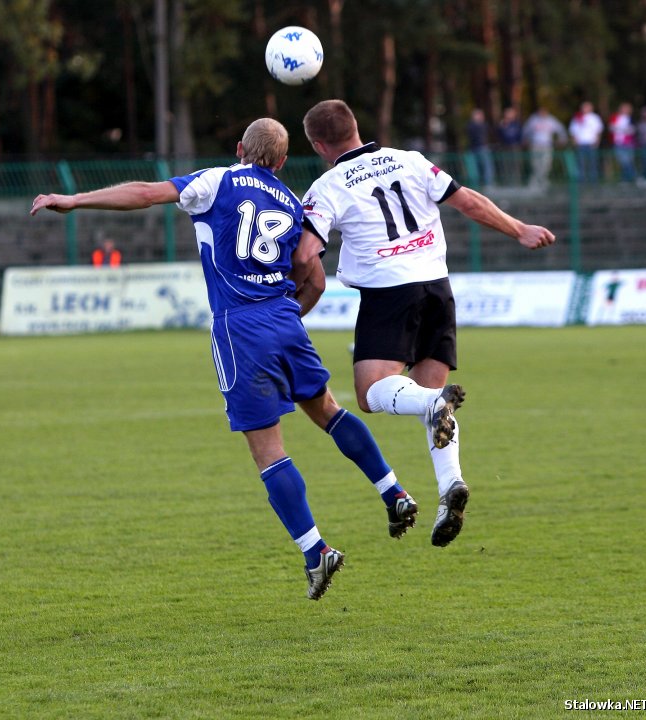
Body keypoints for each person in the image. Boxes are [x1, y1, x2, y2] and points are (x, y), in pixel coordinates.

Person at [31, 118, 419, 601]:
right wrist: (286, 316)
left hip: (240, 328)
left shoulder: (217, 180)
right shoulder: (292, 203)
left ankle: (315, 550)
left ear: (240, 148)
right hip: (285, 319)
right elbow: (316, 280)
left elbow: (146, 193)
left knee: (268, 449)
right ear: (280, 161)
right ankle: (394, 492)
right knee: (327, 411)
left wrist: (75, 200)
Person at [300, 99, 555, 548]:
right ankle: (450, 487)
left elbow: (306, 253)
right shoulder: (411, 160)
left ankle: (436, 407)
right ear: (357, 127)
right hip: (438, 289)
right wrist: (519, 229)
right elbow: (469, 202)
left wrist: (291, 288)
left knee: (371, 394)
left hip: (389, 295)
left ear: (319, 144)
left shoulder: (327, 185)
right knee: (425, 401)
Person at [521, 107, 568, 189]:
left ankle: (543, 181)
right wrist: (525, 140)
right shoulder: (534, 120)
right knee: (535, 164)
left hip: (547, 146)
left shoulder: (551, 120)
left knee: (546, 164)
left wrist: (562, 139)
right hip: (536, 145)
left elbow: (560, 129)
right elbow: (526, 130)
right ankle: (535, 182)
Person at [568, 101, 604, 183]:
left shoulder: (595, 117)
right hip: (581, 143)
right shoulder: (577, 117)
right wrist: (575, 141)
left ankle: (594, 181)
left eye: (587, 107)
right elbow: (573, 131)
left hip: (591, 143)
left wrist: (597, 141)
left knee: (593, 162)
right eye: (584, 107)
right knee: (581, 162)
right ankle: (582, 181)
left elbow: (598, 130)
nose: (585, 109)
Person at [466, 108, 495, 188]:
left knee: (486, 167)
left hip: (482, 148)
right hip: (474, 148)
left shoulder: (483, 125)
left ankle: (488, 184)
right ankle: (476, 184)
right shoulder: (472, 126)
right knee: (475, 168)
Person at [608, 102, 637, 183]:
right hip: (618, 143)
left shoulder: (631, 118)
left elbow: (632, 131)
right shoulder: (615, 117)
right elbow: (611, 128)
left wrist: (619, 129)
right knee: (621, 161)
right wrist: (623, 129)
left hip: (628, 143)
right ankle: (626, 178)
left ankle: (631, 177)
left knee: (628, 160)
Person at [496, 106, 523, 184]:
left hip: (515, 147)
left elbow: (519, 135)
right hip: (505, 147)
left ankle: (517, 182)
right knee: (506, 165)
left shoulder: (517, 124)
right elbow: (499, 135)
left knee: (516, 165)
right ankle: (507, 182)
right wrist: (502, 127)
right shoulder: (502, 124)